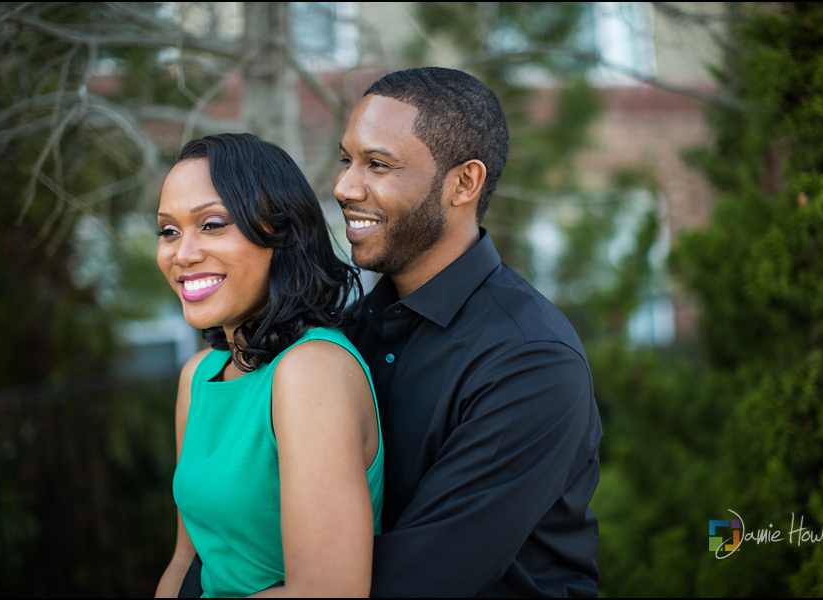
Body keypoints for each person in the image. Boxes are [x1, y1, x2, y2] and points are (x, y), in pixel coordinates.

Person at [336, 67, 602, 597]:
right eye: (346, 159)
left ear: (464, 183)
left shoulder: (531, 361)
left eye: (378, 164)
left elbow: (420, 579)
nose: (344, 186)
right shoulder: (348, 331)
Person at [153, 133, 383, 598]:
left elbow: (328, 592)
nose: (182, 253)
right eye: (169, 230)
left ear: (281, 233)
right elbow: (185, 559)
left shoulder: (312, 371)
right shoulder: (197, 377)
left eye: (212, 224)